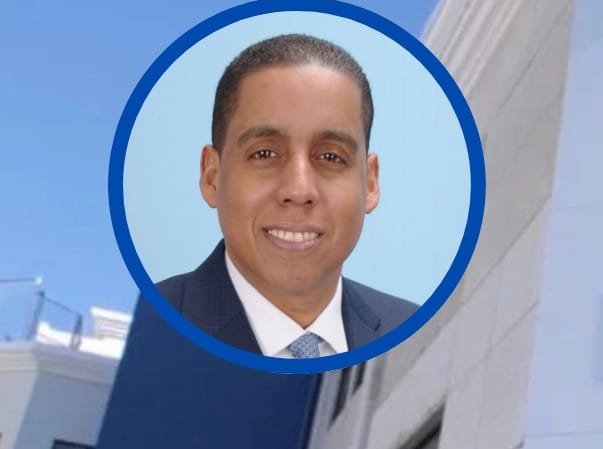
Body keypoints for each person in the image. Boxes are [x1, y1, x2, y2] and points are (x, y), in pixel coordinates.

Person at [157, 34, 418, 359]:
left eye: (331, 157)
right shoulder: (154, 325)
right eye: (265, 154)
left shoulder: (413, 329)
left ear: (370, 184)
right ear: (212, 176)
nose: (299, 190)